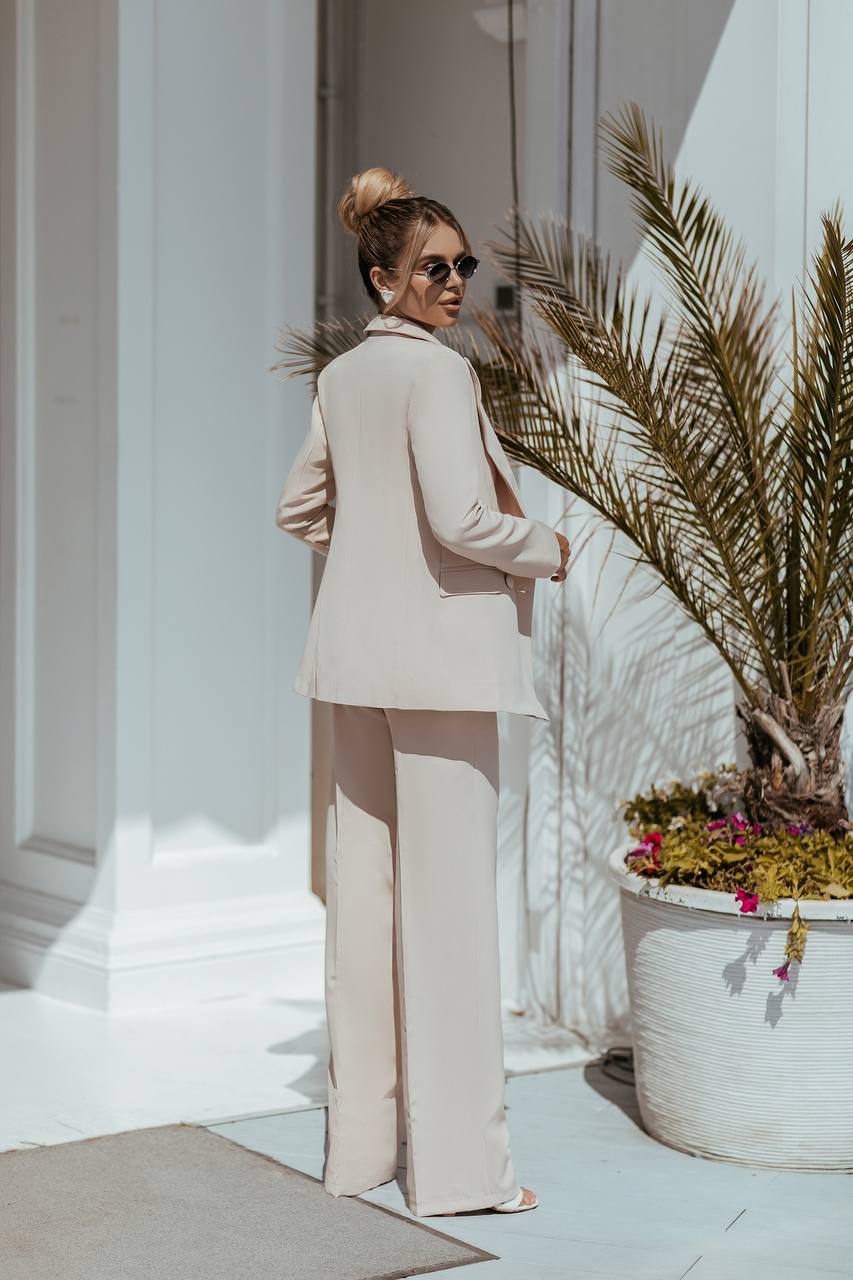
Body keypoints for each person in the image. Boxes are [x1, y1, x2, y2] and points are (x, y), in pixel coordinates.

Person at [275, 166, 571, 1218]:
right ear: (383, 278)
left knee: (364, 909)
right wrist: (548, 546)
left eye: (462, 265)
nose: (454, 282)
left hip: (353, 663)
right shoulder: (438, 377)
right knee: (447, 923)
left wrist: (371, 558)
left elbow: (301, 505)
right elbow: (461, 519)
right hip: (439, 671)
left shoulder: (344, 376)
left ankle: (357, 1154)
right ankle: (459, 1174)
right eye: (432, 268)